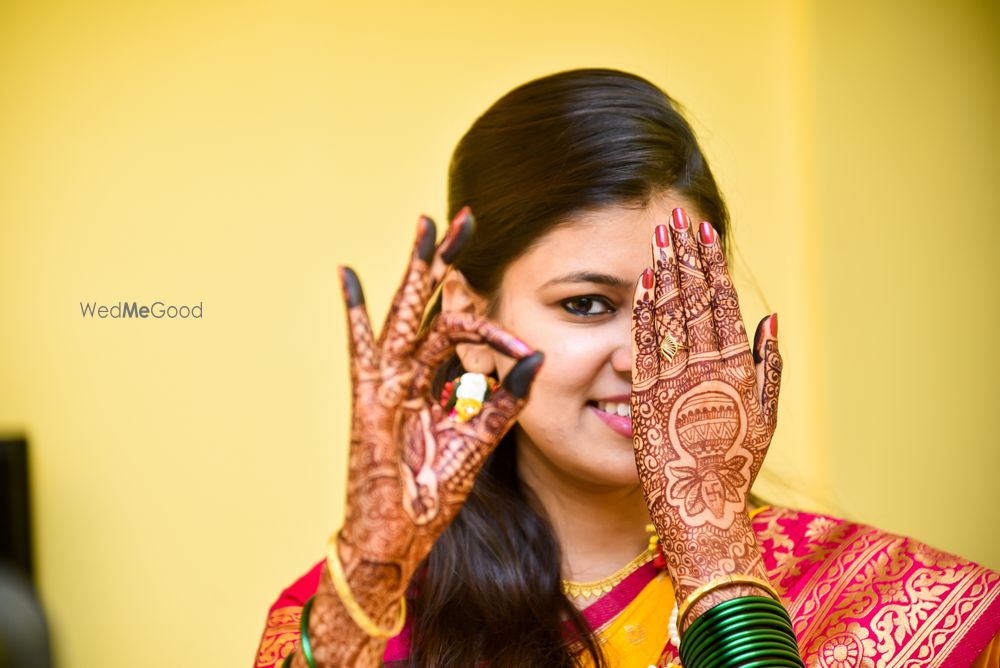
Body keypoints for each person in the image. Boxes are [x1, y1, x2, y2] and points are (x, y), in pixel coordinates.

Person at [254, 69, 1000, 667]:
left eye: (676, 310)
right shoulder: (357, 615)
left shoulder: (877, 597)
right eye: (586, 305)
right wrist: (367, 597)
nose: (643, 360)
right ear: (470, 324)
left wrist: (715, 559)